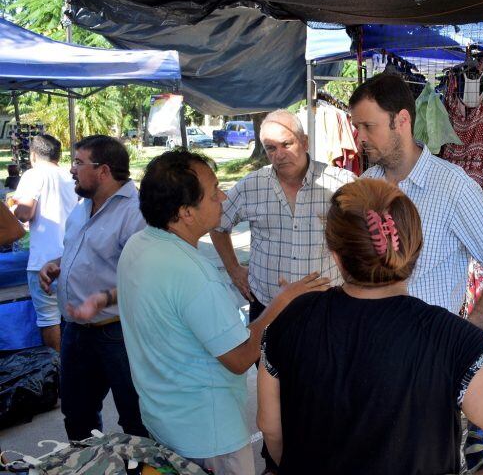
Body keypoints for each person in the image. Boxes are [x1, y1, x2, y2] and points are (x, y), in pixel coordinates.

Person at [257, 178, 483, 475]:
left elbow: (269, 426)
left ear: (337, 256)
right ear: (415, 248)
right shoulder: (451, 340)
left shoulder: (292, 318)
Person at [70, 150, 329, 475]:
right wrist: (282, 303)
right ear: (185, 213)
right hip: (210, 437)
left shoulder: (139, 245)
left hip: (164, 420)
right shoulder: (193, 273)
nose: (223, 197)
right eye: (213, 192)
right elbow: (239, 358)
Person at [349, 74, 483, 327]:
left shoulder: (454, 187)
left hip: (427, 351)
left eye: (369, 126)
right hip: (369, 339)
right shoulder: (364, 184)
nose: (360, 137)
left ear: (402, 120)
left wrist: (461, 340)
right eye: (357, 127)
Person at [38, 135, 147, 441]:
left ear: (103, 170)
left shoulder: (135, 213)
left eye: (78, 162)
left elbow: (144, 279)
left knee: (136, 419)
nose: (71, 169)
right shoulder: (82, 206)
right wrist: (57, 264)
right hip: (75, 329)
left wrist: (103, 299)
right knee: (77, 415)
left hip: (117, 333)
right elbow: (84, 250)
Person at [211, 109, 355, 320]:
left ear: (305, 142)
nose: (279, 155)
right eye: (271, 148)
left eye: (287, 144)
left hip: (325, 308)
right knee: (266, 354)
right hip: (267, 308)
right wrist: (233, 268)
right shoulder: (251, 186)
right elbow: (217, 224)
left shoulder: (340, 183)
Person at [11, 134, 77, 351]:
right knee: (74, 317)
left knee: (49, 320)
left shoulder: (33, 174)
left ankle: (57, 371)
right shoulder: (70, 175)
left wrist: (14, 208)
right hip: (73, 256)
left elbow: (25, 213)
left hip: (44, 261)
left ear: (33, 155)